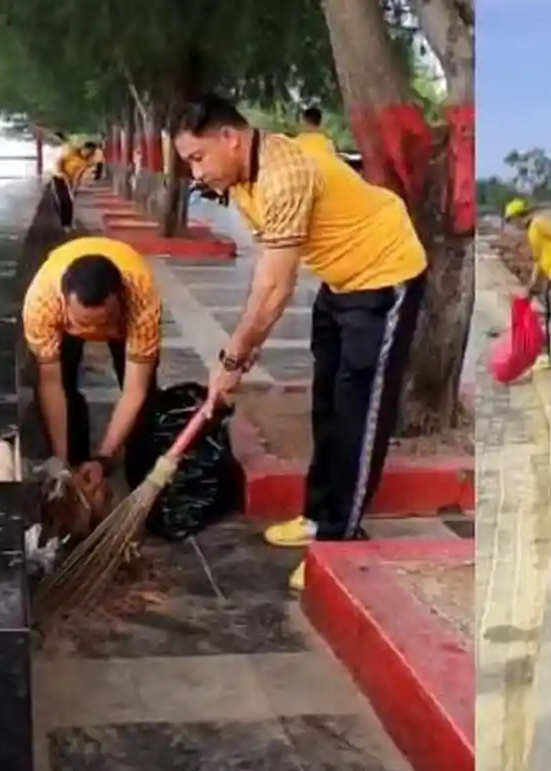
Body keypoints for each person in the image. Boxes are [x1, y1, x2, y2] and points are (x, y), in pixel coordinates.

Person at [171, 95, 427, 589]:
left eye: (197, 158)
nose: (196, 174)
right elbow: (267, 271)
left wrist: (234, 357)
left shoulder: (283, 174)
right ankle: (317, 514)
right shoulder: (245, 179)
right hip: (339, 282)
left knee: (360, 414)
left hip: (383, 276)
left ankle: (339, 544)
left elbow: (274, 286)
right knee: (327, 405)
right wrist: (247, 342)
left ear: (231, 137)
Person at [23, 236, 161, 491]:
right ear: (63, 302)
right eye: (83, 323)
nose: (92, 332)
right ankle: (75, 469)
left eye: (101, 323)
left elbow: (135, 390)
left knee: (147, 404)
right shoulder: (41, 304)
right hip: (65, 322)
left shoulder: (141, 299)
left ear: (121, 300)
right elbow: (52, 387)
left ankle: (139, 476)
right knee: (64, 386)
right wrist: (60, 460)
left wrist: (104, 458)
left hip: (124, 323)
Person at [503, 198, 551, 370]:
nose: (512, 226)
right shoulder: (532, 231)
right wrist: (532, 285)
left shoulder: (539, 224)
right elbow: (540, 261)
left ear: (518, 216)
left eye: (511, 221)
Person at [52, 140, 97, 231]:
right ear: (84, 148)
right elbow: (59, 161)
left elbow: (78, 175)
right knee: (63, 199)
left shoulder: (85, 162)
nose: (88, 154)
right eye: (88, 151)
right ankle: (64, 222)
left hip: (70, 180)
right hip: (59, 177)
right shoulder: (71, 152)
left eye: (91, 153)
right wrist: (62, 173)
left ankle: (68, 224)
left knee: (70, 201)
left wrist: (74, 188)